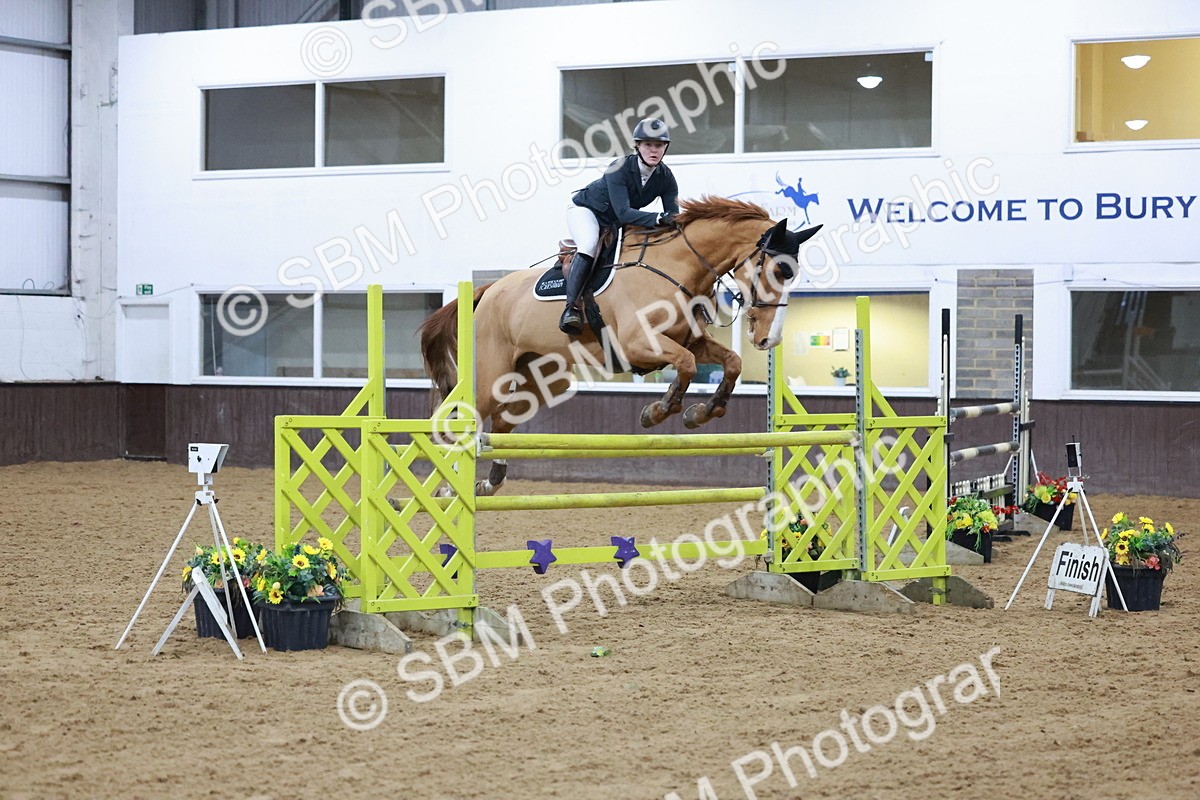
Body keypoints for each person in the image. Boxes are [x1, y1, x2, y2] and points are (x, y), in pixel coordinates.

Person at [559, 117, 680, 335]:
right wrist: (659, 218)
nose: (654, 150)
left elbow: (673, 216)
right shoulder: (620, 167)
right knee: (588, 244)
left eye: (659, 145)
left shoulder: (666, 177)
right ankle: (571, 308)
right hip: (587, 212)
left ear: (666, 148)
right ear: (638, 146)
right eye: (648, 145)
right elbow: (624, 212)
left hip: (615, 222)